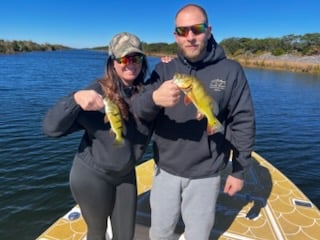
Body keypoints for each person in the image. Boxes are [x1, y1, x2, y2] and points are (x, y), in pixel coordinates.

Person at [132, 4, 256, 240]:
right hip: (165, 169)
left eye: (197, 29)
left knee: (198, 234)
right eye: (182, 31)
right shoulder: (164, 70)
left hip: (206, 173)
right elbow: (138, 109)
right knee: (160, 232)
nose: (190, 37)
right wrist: (154, 99)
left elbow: (243, 120)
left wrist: (239, 171)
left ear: (208, 30)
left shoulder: (231, 71)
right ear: (175, 36)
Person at [42, 32, 153, 240]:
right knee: (97, 232)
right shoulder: (97, 92)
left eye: (136, 58)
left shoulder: (148, 93)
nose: (130, 64)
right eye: (124, 58)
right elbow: (51, 128)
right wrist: (75, 99)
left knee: (125, 235)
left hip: (126, 175)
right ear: (113, 62)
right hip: (92, 176)